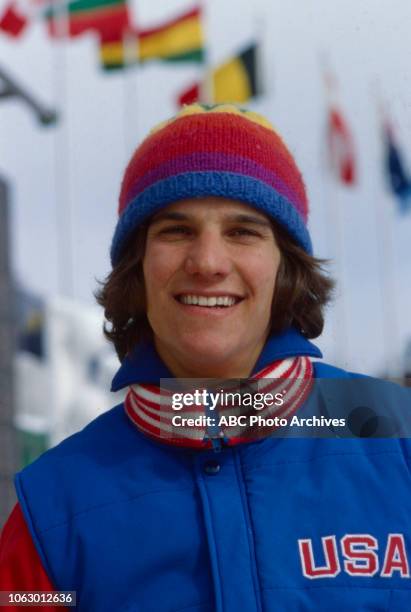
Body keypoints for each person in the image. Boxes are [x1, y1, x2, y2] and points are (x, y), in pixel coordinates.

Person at [1, 103, 411, 611]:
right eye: (176, 231)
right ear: (138, 266)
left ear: (287, 267)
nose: (209, 263)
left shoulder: (399, 442)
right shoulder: (54, 506)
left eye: (243, 231)